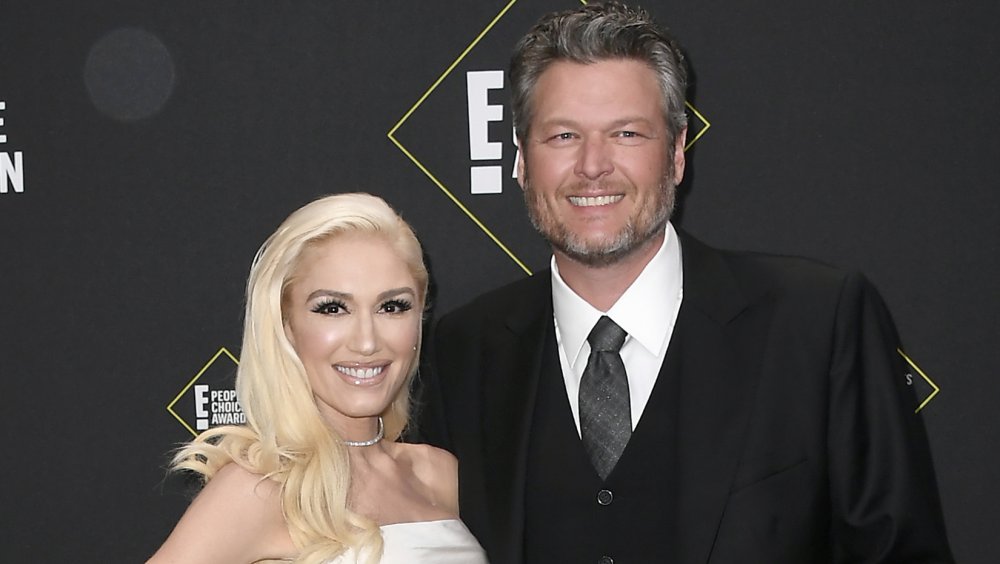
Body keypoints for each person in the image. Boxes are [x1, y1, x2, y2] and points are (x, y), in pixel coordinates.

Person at [416, 2, 953, 563]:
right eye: (563, 136)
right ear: (522, 159)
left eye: (626, 133)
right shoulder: (464, 353)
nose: (593, 165)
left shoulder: (817, 324)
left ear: (675, 153)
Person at [148, 193, 487, 564]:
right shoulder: (260, 492)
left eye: (392, 307)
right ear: (286, 323)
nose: (367, 341)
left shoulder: (439, 475)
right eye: (333, 308)